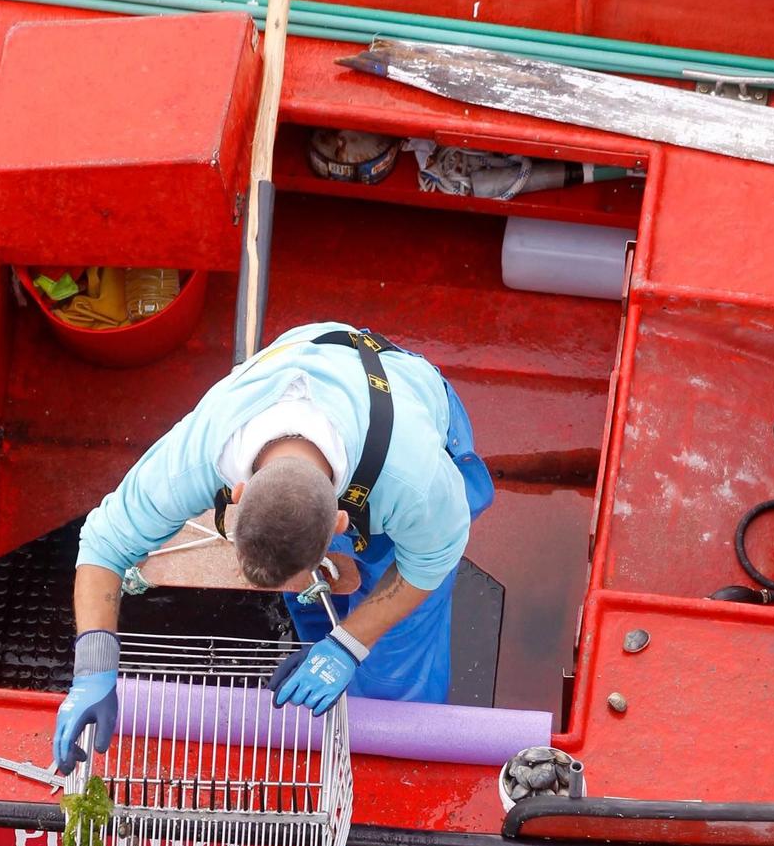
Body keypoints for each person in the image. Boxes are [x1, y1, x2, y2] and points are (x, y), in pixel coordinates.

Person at [53, 320, 494, 771]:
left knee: (395, 660)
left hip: (407, 405)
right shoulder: (198, 451)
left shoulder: (415, 482)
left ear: (340, 522)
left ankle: (392, 755)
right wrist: (94, 668)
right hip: (313, 388)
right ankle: (319, 646)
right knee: (304, 591)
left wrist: (350, 645)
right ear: (238, 493)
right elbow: (103, 545)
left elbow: (427, 566)